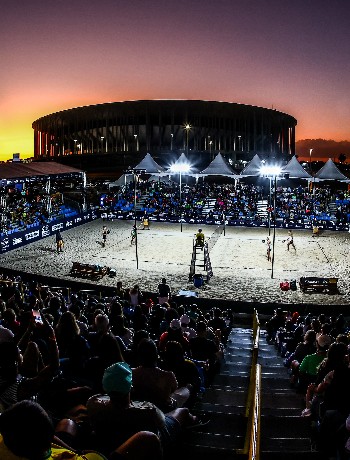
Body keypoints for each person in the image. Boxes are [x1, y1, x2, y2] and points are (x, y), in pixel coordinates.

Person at [86, 361, 208, 457]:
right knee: (183, 412)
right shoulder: (148, 411)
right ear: (131, 387)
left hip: (113, 443)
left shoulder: (93, 404)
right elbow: (162, 422)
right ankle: (197, 421)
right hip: (155, 438)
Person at [0, 399, 163, 460]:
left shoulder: (7, 440)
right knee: (147, 438)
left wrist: (74, 449)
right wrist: (79, 453)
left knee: (67, 422)